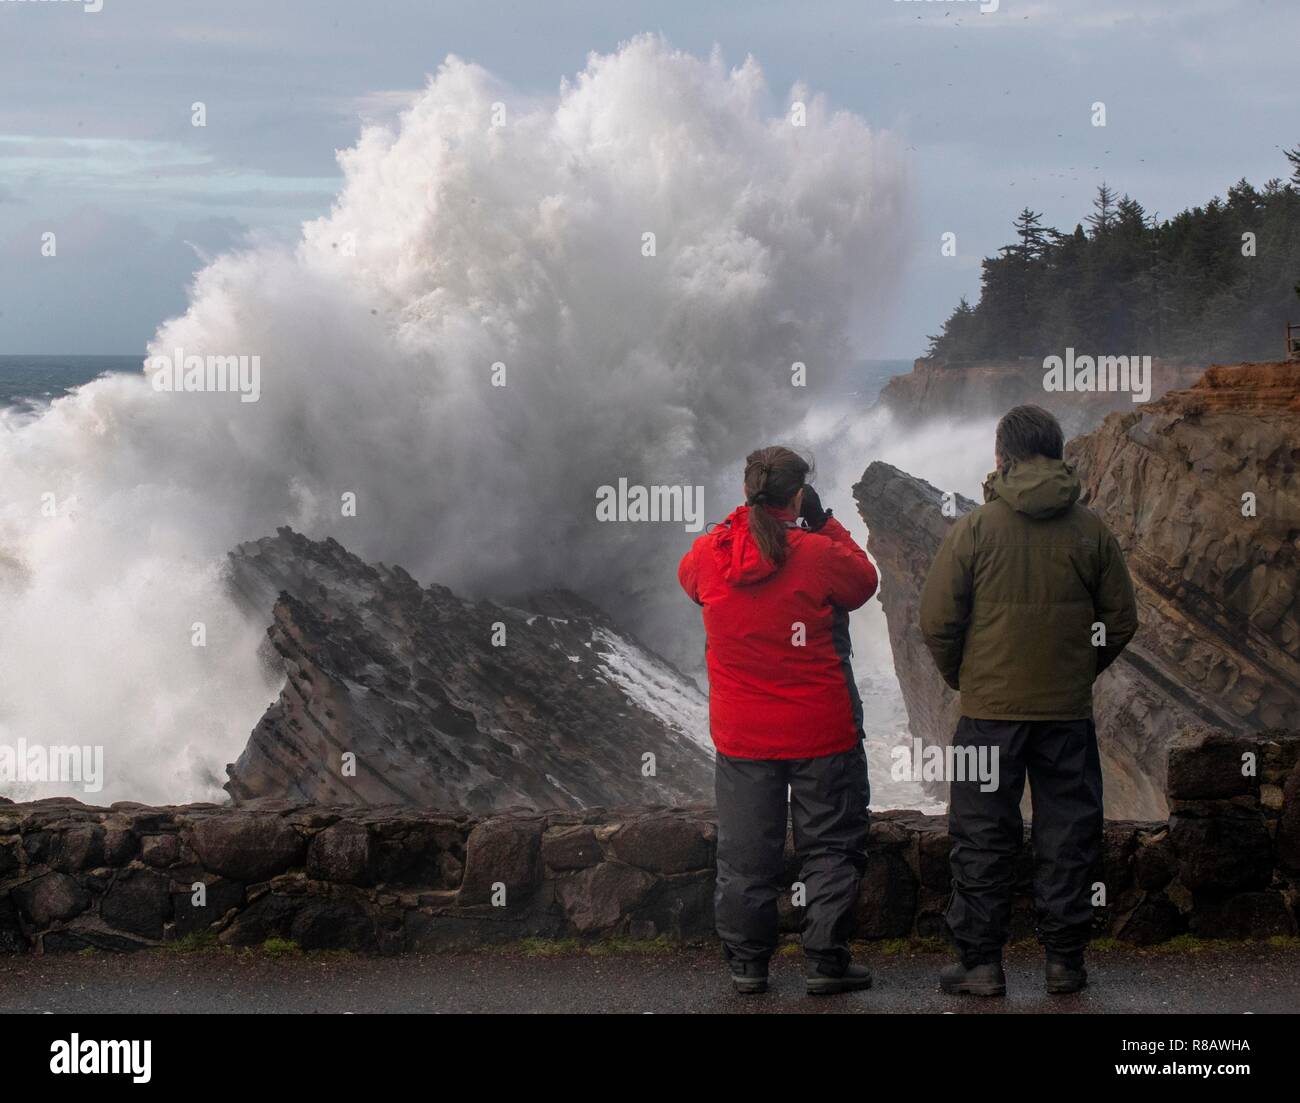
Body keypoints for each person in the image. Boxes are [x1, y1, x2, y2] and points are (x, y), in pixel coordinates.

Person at [919, 404, 1138, 996]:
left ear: (1001, 457)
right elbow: (1120, 620)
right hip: (1064, 716)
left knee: (981, 834)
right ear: (1057, 451)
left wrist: (966, 678)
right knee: (1067, 833)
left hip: (989, 715)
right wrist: (1077, 671)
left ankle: (981, 965)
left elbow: (937, 620)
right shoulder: (1090, 529)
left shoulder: (974, 529)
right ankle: (1065, 963)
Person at [678, 446, 879, 995]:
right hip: (822, 730)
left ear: (748, 494)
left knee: (746, 854)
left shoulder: (710, 553)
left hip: (745, 737)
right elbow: (863, 582)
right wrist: (826, 522)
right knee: (831, 847)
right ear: (797, 495)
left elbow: (690, 580)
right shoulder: (817, 553)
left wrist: (737, 520)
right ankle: (826, 963)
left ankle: (748, 966)